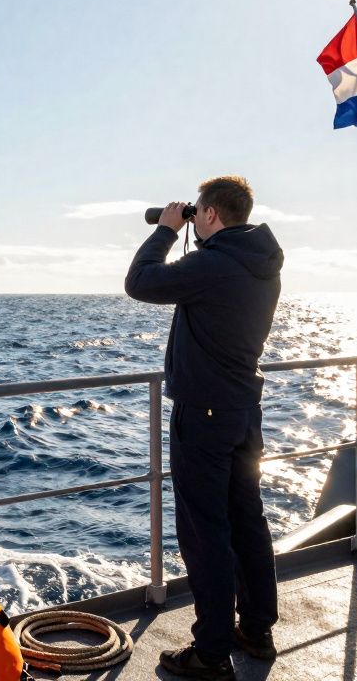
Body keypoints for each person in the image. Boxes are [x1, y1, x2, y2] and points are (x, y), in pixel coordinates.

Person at [124, 176, 284, 680]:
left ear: (210, 214)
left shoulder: (212, 264)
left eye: (198, 213)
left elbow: (140, 282)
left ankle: (211, 654)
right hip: (242, 412)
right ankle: (256, 629)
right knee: (246, 521)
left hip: (204, 416)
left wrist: (168, 230)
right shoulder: (261, 263)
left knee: (205, 533)